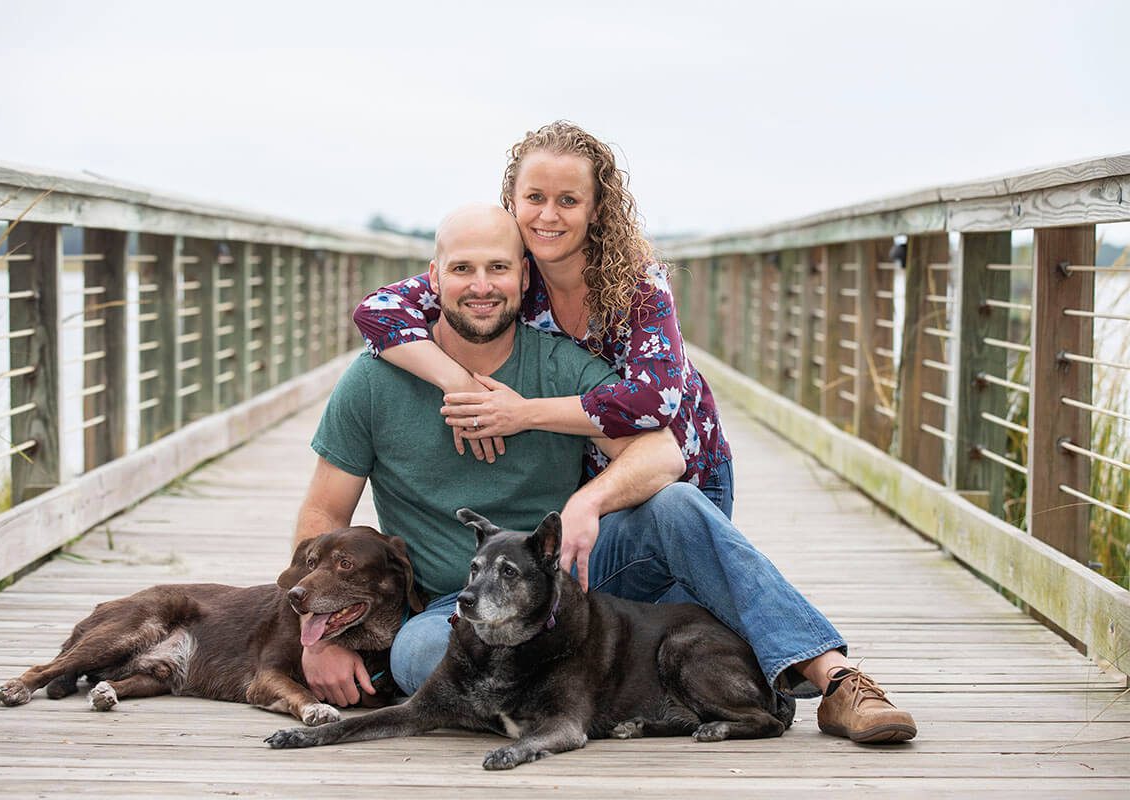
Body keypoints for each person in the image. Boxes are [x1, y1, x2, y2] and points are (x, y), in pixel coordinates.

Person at [298, 204, 917, 744]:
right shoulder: (373, 381)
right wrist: (318, 635)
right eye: (462, 269)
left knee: (676, 505)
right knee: (418, 654)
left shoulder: (560, 365)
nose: (481, 286)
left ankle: (834, 678)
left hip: (572, 579)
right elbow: (325, 513)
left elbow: (664, 454)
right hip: (458, 608)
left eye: (498, 268)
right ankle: (603, 694)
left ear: (524, 278)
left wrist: (588, 502)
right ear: (433, 278)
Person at [353, 121, 735, 517]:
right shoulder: (509, 278)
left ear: (596, 209)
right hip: (597, 487)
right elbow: (377, 311)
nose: (548, 215)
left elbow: (655, 399)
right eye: (535, 197)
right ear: (513, 201)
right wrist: (461, 384)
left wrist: (523, 413)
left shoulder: (638, 283)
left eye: (568, 200)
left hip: (687, 479)